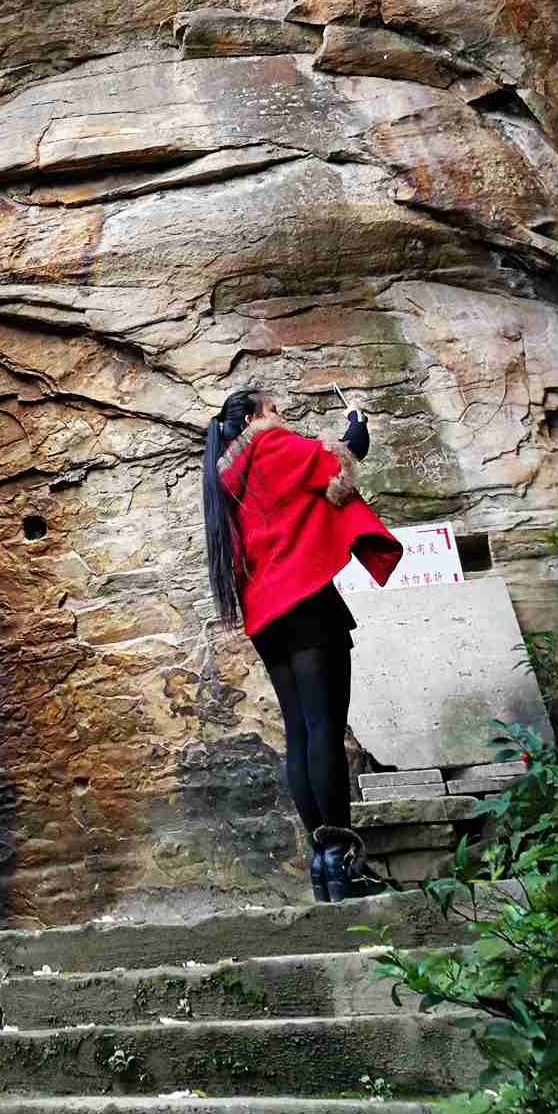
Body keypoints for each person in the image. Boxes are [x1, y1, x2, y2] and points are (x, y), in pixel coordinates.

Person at [200, 387, 403, 904]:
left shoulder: (224, 477)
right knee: (324, 729)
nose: (281, 418)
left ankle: (322, 864)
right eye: (275, 410)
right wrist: (356, 428)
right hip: (306, 602)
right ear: (251, 418)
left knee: (299, 734)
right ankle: (342, 864)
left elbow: (317, 493)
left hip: (266, 614)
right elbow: (337, 461)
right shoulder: (268, 445)